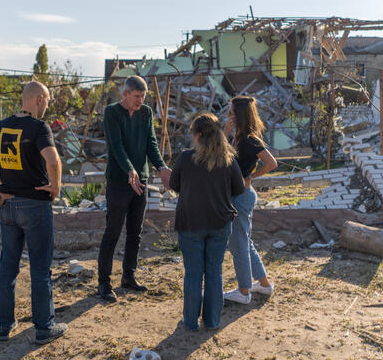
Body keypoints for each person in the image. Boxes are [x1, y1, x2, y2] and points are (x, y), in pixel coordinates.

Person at [0, 81, 67, 344]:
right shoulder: (39, 127)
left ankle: (4, 326)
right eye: (47, 100)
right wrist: (56, 187)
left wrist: (0, 177)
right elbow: (53, 160)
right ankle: (44, 328)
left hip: (8, 206)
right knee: (39, 268)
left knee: (7, 266)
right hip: (35, 205)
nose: (47, 105)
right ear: (38, 99)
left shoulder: (1, 126)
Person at [97, 75, 172, 302]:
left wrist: (160, 166)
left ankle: (129, 276)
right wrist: (129, 169)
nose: (140, 101)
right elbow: (116, 145)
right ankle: (104, 283)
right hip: (120, 181)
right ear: (125, 94)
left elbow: (150, 142)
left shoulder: (146, 113)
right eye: (137, 97)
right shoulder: (112, 112)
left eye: (144, 97)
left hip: (141, 180)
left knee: (135, 233)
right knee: (112, 232)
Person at [169, 112, 245, 330]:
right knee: (214, 272)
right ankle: (212, 321)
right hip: (220, 223)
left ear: (199, 134)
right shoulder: (228, 159)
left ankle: (190, 321)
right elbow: (239, 189)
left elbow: (174, 185)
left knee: (193, 274)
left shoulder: (185, 158)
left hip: (190, 223)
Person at [222, 96, 278, 305]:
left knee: (238, 246)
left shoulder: (250, 139)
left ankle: (244, 292)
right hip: (237, 195)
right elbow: (219, 154)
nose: (228, 114)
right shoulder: (235, 137)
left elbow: (271, 163)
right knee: (246, 242)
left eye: (231, 111)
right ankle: (263, 285)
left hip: (241, 196)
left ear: (240, 114)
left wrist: (250, 177)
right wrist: (226, 132)